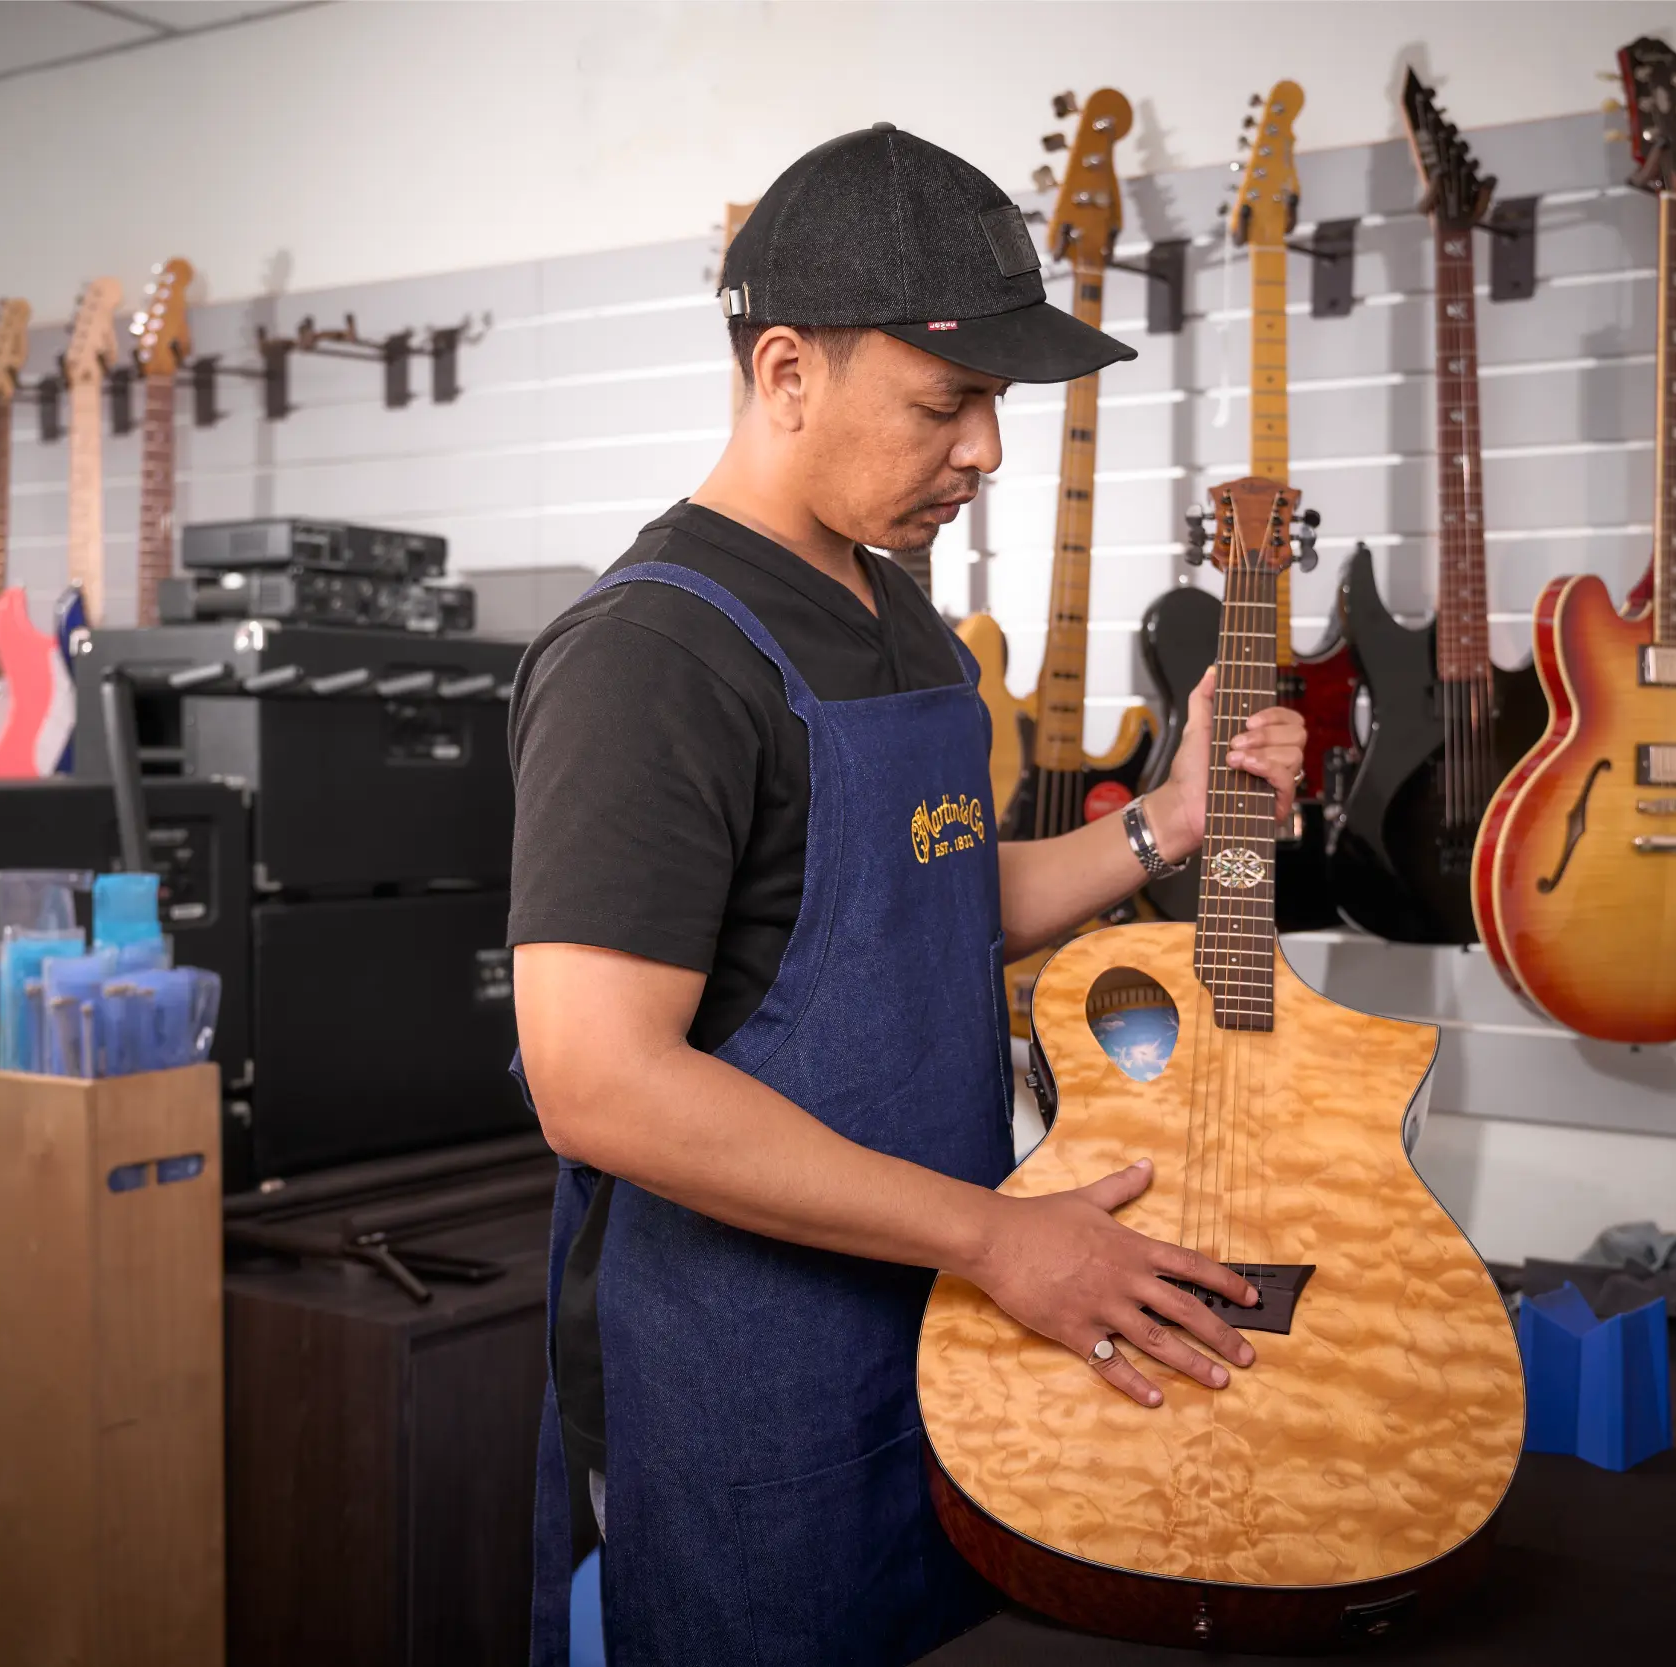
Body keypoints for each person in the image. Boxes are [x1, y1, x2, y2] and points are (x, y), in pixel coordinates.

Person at [508, 122, 1309, 1667]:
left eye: (995, 406)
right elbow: (597, 1082)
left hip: (939, 1339)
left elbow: (918, 906)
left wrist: (1175, 816)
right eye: (948, 403)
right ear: (789, 373)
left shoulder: (902, 616)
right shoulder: (650, 661)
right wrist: (1003, 1240)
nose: (988, 452)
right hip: (743, 1387)